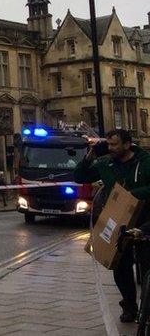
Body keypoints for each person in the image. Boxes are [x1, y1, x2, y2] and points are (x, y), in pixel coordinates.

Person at [73, 129, 150, 323]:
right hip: (118, 220)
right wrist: (90, 155)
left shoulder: (145, 162)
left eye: (115, 144)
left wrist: (127, 195)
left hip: (145, 221)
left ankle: (147, 307)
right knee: (121, 266)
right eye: (109, 144)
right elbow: (80, 176)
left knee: (147, 264)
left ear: (127, 144)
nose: (111, 148)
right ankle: (129, 307)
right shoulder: (105, 163)